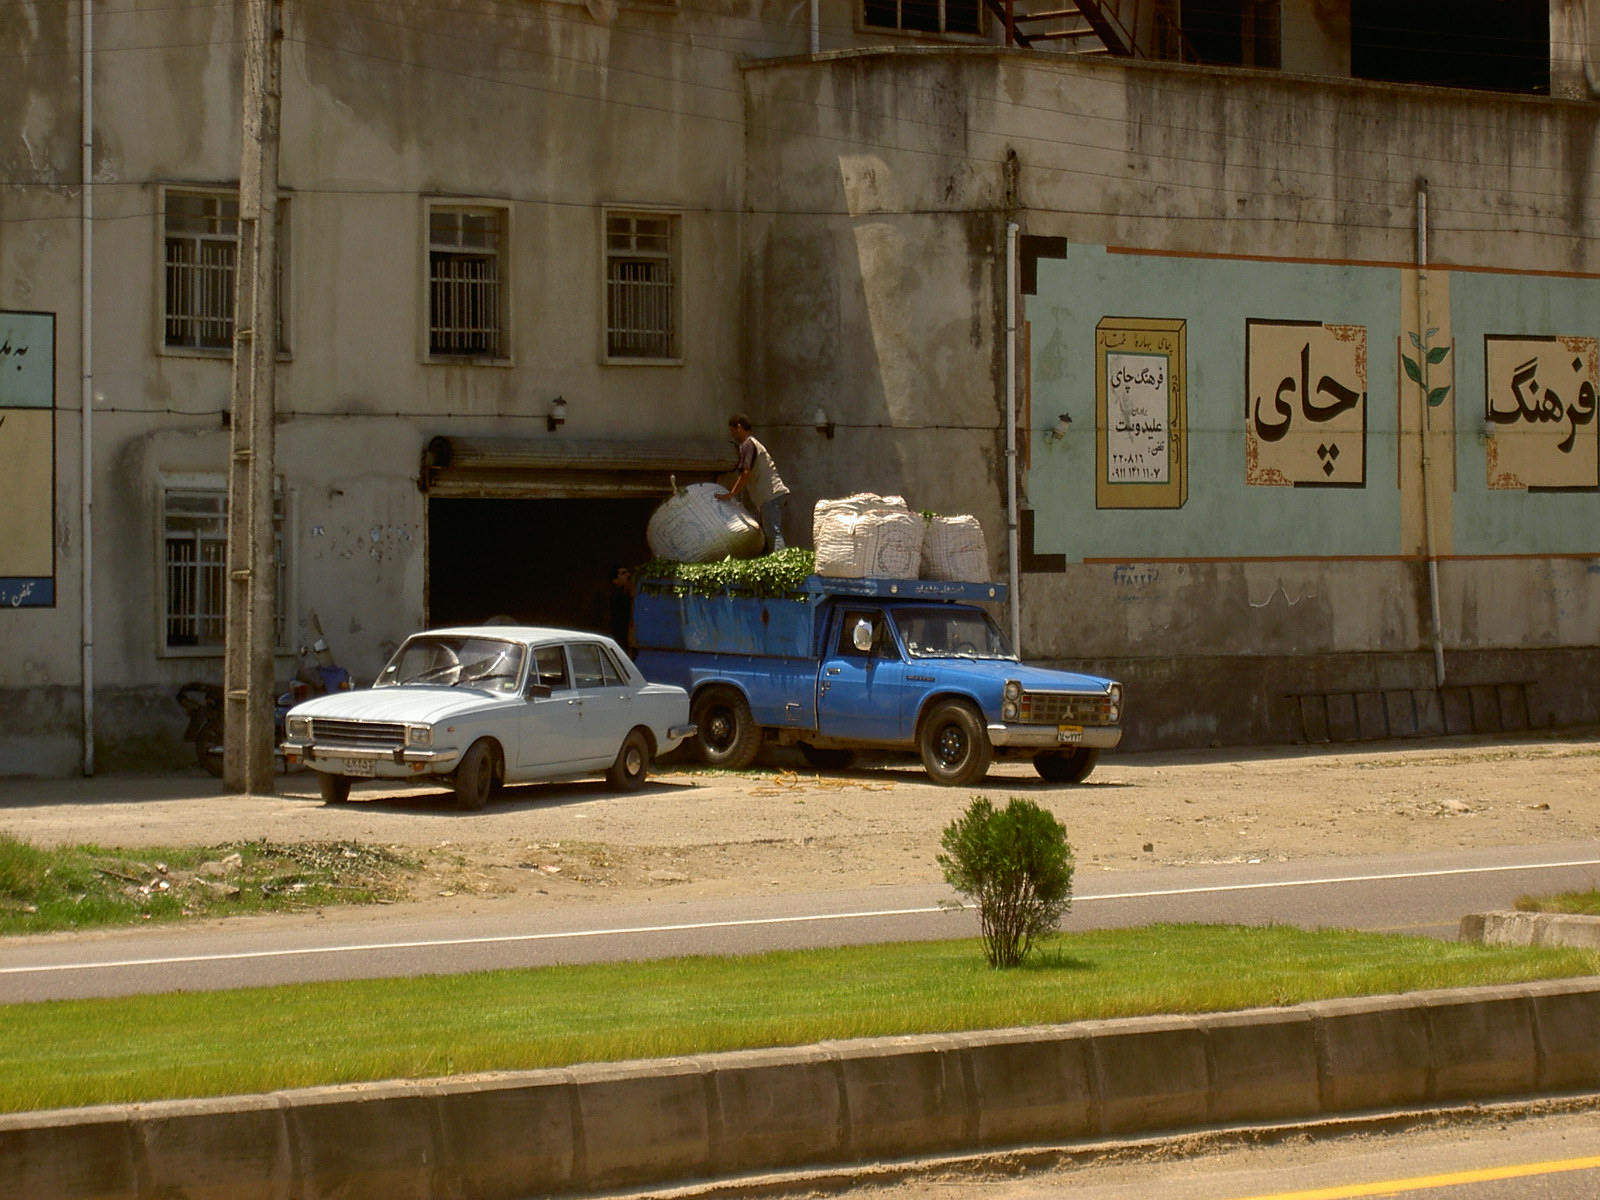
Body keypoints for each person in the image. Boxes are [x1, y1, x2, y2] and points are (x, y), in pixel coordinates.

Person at [718, 414, 790, 553]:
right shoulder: (753, 444)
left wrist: (731, 494)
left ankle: (782, 565)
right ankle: (772, 562)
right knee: (766, 533)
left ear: (739, 427)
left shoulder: (747, 445)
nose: (732, 435)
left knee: (773, 534)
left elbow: (746, 473)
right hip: (772, 496)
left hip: (770, 495)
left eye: (732, 431)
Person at [608, 564, 635, 656]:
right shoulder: (616, 597)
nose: (628, 575)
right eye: (623, 573)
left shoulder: (626, 593)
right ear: (615, 580)